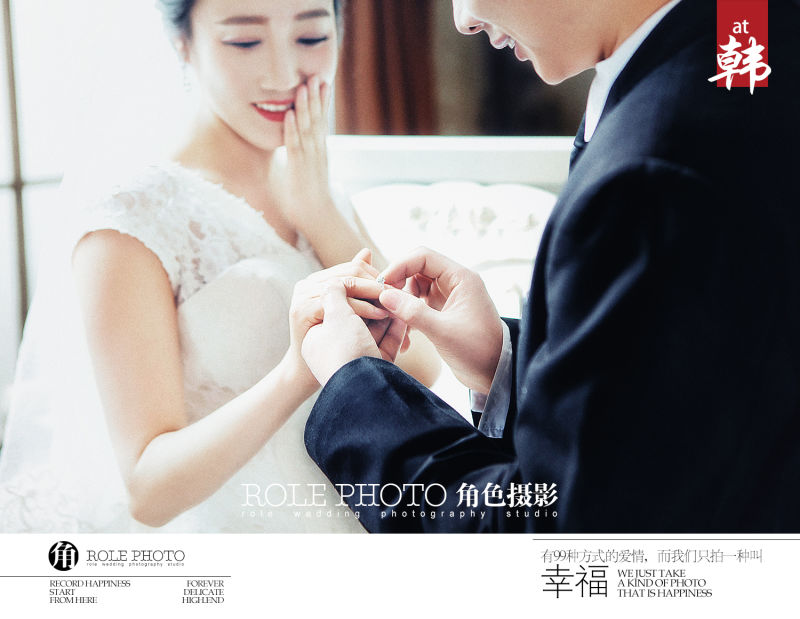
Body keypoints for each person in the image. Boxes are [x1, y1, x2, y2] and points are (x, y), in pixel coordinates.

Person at [300, 0, 800, 532]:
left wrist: (357, 390)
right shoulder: (746, 31)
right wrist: (505, 363)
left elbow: (554, 539)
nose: (463, 21)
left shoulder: (651, 177)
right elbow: (684, 410)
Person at [0, 0, 437, 533]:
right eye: (244, 42)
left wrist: (319, 211)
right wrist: (295, 375)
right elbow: (148, 489)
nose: (284, 75)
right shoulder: (130, 215)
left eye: (312, 37)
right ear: (182, 43)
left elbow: (422, 368)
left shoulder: (316, 187)